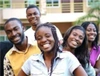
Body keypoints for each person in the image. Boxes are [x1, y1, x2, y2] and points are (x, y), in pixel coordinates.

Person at [18, 22, 87, 76]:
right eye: (39, 38)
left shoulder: (68, 57)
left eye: (47, 36)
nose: (43, 40)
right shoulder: (32, 60)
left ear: (55, 38)